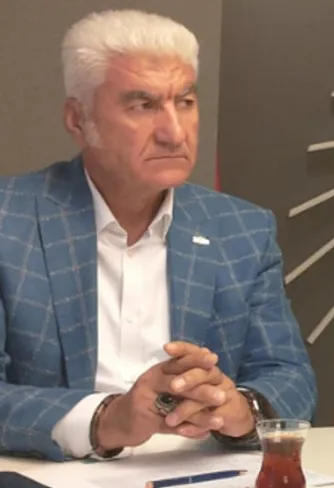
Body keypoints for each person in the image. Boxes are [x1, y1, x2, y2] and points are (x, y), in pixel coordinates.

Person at [0, 10, 316, 461]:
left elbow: (290, 376)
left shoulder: (242, 229)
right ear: (78, 119)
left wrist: (238, 409)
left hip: (197, 472)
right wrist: (106, 419)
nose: (174, 132)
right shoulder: (9, 221)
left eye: (185, 102)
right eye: (143, 106)